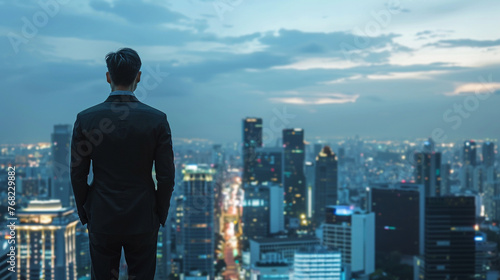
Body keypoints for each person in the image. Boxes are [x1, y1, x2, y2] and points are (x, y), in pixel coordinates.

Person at [70, 47, 175, 280]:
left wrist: (85, 210)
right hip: (143, 215)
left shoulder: (86, 119)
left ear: (108, 76)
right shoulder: (157, 120)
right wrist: (160, 212)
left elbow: (78, 174)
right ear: (138, 76)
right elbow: (166, 177)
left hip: (102, 215)